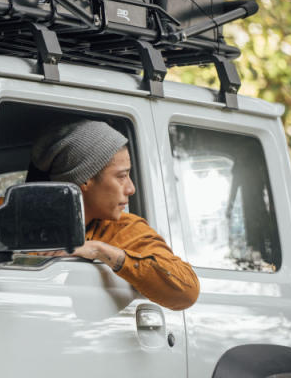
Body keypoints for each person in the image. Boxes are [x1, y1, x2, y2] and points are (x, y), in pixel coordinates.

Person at [29, 120, 199, 311]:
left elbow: (187, 291)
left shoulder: (125, 229)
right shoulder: (16, 219)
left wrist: (102, 252)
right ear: (85, 179)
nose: (131, 188)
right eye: (121, 176)